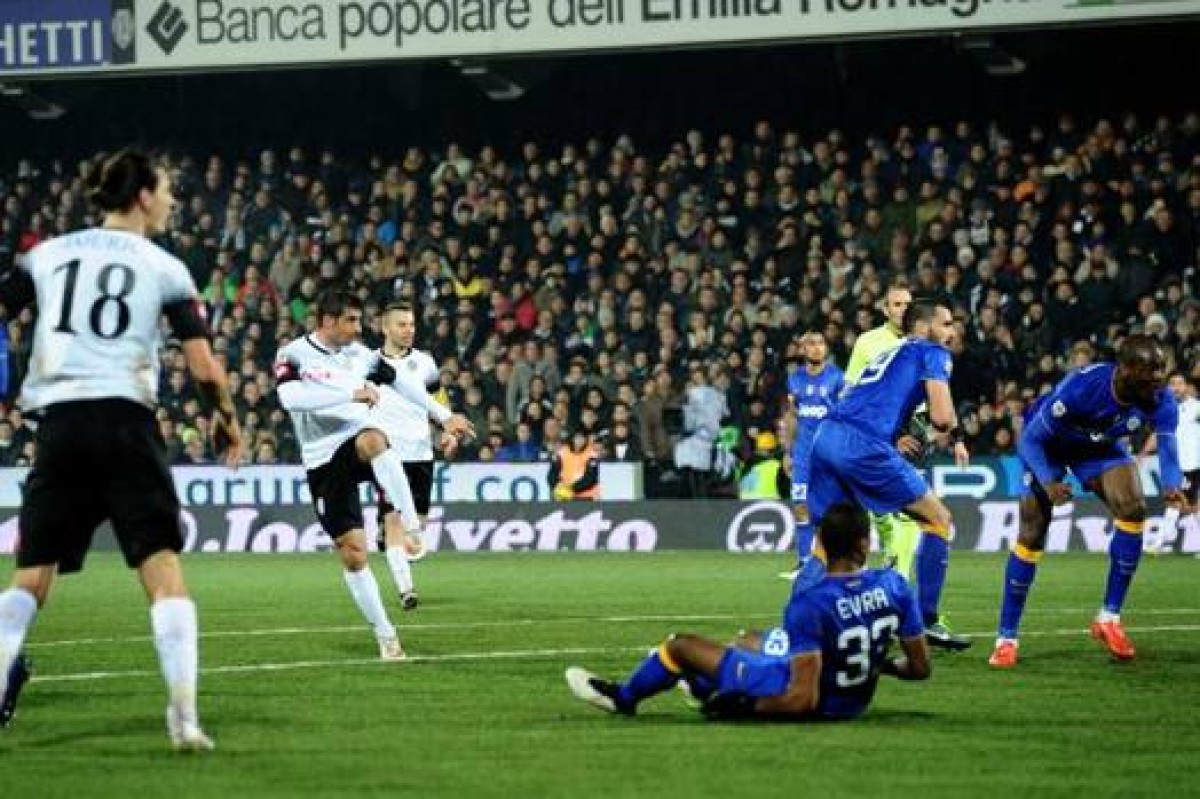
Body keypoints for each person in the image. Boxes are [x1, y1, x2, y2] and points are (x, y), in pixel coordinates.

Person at [0, 149, 244, 750]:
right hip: (126, 422)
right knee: (162, 571)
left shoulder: (47, 255)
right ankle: (184, 718)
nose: (172, 201)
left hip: (59, 425)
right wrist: (227, 419)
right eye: (167, 191)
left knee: (30, 578)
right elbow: (204, 368)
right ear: (142, 197)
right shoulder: (164, 267)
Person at [564, 503, 930, 720]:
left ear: (820, 544)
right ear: (864, 544)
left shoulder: (810, 603)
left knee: (680, 646)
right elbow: (920, 669)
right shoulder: (895, 585)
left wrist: (746, 707)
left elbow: (803, 698)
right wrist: (877, 663)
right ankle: (701, 683)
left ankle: (624, 699)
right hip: (854, 699)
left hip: (815, 699)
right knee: (749, 639)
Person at [989, 335, 1193, 667]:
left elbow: (1168, 445)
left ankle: (1109, 618)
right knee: (1032, 533)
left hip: (1098, 448)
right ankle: (1006, 639)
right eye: (1150, 371)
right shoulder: (1082, 388)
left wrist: (1171, 484)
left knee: (1134, 509)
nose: (1158, 379)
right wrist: (1049, 481)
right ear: (1125, 370)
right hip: (1049, 446)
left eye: (1161, 369)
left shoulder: (1160, 399)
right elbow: (1030, 440)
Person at [275, 290, 453, 661]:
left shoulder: (360, 355)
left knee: (374, 439)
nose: (359, 328)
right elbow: (290, 399)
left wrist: (444, 416)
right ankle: (387, 636)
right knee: (354, 554)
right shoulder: (293, 354)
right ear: (328, 320)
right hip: (321, 459)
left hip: (354, 440)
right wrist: (350, 393)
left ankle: (411, 528)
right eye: (351, 320)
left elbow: (402, 383)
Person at [807, 300, 972, 651]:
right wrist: (935, 434)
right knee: (938, 520)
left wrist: (898, 432)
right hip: (862, 445)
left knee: (829, 543)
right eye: (946, 324)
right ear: (924, 328)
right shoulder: (932, 352)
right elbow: (943, 418)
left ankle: (801, 631)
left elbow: (872, 399)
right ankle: (926, 620)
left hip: (826, 435)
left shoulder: (891, 352)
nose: (952, 331)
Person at [369, 301, 474, 609]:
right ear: (385, 327)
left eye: (412, 325)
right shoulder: (368, 365)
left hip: (421, 453)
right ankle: (407, 590)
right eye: (401, 325)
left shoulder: (425, 363)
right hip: (387, 454)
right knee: (395, 520)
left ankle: (389, 540)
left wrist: (448, 431)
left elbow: (437, 399)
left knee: (415, 530)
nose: (409, 330)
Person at [844, 283, 923, 580]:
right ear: (885, 309)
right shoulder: (867, 342)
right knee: (875, 502)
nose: (903, 310)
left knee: (908, 505)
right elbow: (850, 387)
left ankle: (899, 576)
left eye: (907, 304)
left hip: (913, 424)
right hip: (874, 426)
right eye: (897, 304)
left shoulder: (924, 340)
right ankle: (891, 545)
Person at [780, 331, 844, 575]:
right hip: (803, 453)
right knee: (800, 504)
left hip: (829, 453)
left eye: (821, 343)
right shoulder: (794, 379)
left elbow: (845, 417)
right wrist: (788, 451)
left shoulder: (837, 378)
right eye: (811, 344)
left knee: (831, 509)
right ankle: (805, 562)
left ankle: (838, 560)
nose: (816, 348)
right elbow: (792, 417)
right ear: (803, 349)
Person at [1140, 373, 1200, 554]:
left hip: (1190, 465)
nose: (1176, 388)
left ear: (1187, 387)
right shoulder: (1165, 410)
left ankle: (1158, 543)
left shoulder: (1196, 408)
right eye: (1172, 384)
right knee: (1182, 505)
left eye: (1180, 384)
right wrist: (1143, 453)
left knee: (1180, 505)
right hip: (1174, 466)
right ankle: (1159, 542)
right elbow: (1157, 434)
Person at [548, 429, 600, 500]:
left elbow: (590, 477)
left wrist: (571, 488)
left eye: (582, 437)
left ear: (586, 439)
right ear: (572, 438)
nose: (579, 440)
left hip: (586, 495)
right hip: (563, 494)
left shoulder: (592, 454)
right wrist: (558, 485)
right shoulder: (562, 453)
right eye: (577, 437)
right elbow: (552, 473)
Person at [738, 431, 787, 500]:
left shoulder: (744, 467)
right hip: (771, 503)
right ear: (773, 450)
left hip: (744, 504)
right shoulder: (777, 466)